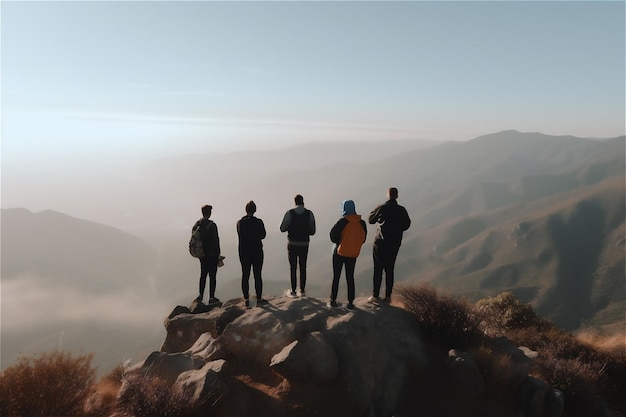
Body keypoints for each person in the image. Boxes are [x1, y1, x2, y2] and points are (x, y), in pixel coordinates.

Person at [368, 187, 411, 303]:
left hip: (380, 242)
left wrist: (376, 211)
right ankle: (388, 296)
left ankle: (375, 295)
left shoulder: (381, 207)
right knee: (390, 269)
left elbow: (370, 220)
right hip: (394, 243)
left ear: (388, 195)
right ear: (397, 196)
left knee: (378, 269)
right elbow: (407, 224)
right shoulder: (402, 210)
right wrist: (397, 230)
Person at [328, 200, 367, 310]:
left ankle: (333, 300)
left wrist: (341, 242)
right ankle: (350, 302)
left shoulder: (342, 222)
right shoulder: (361, 223)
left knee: (336, 276)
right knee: (350, 277)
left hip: (339, 252)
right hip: (353, 254)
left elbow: (333, 236)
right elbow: (363, 239)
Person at [280, 194, 316, 297]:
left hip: (292, 243)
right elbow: (312, 231)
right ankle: (303, 290)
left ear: (295, 202)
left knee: (293, 267)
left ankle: (293, 290)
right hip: (304, 244)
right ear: (303, 202)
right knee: (303, 266)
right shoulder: (309, 213)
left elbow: (282, 228)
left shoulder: (290, 213)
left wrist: (291, 227)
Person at [237, 200, 267, 307]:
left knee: (245, 275)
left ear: (246, 210)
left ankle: (246, 298)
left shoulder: (240, 222)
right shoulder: (259, 222)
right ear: (255, 210)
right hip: (257, 251)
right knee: (257, 274)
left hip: (244, 252)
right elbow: (263, 235)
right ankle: (259, 298)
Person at [195, 204, 221, 304]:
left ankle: (200, 295)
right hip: (212, 254)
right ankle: (211, 297)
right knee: (212, 276)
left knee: (203, 274)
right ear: (209, 213)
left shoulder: (197, 224)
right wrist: (218, 253)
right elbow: (216, 240)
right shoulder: (212, 225)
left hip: (201, 254)